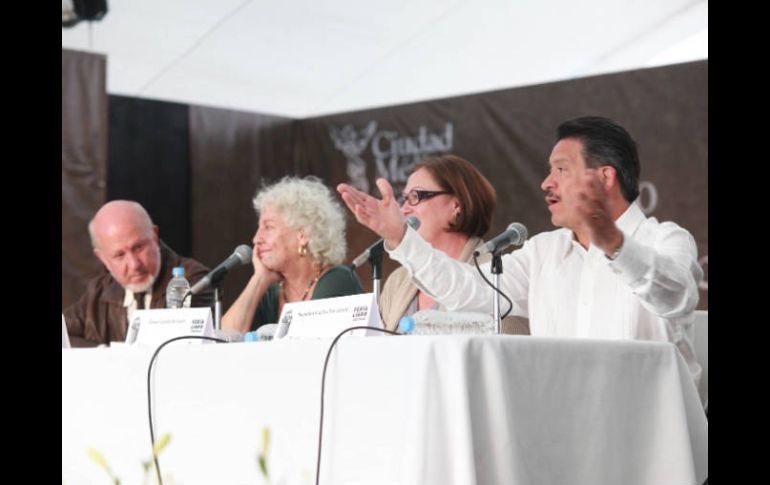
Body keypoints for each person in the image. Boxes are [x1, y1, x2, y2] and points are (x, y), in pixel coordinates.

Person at [338, 116, 703, 383]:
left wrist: (615, 245)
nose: (546, 182)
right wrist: (400, 236)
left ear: (605, 177)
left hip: (653, 436)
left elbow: (676, 297)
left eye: (561, 169)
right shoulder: (542, 251)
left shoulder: (667, 240)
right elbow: (467, 290)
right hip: (564, 432)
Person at [380, 155, 529, 333]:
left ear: (456, 206)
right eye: (404, 198)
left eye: (415, 196)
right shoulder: (398, 280)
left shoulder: (496, 276)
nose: (404, 209)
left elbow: (511, 341)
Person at [222, 176, 363, 332]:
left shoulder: (338, 279)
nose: (256, 239)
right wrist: (259, 280)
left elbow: (310, 342)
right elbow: (224, 338)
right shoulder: (270, 292)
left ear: (303, 235)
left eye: (268, 227)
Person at [63, 200, 213, 346]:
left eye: (138, 247)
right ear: (102, 258)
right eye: (119, 255)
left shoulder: (193, 280)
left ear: (154, 236)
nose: (134, 264)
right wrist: (101, 352)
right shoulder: (98, 292)